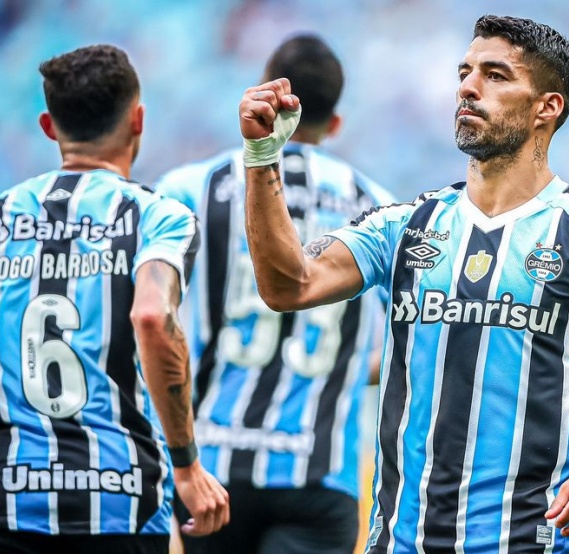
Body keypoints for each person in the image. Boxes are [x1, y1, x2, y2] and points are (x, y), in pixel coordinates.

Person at [238, 15, 569, 554]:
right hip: (402, 541)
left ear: (547, 107)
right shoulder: (406, 226)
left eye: (495, 75)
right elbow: (287, 286)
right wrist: (263, 157)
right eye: (465, 73)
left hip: (529, 542)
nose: (468, 88)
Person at [0, 44, 229, 554]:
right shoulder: (160, 217)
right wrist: (186, 466)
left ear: (48, 126)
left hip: (4, 499)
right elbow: (153, 317)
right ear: (138, 120)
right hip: (123, 501)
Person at [155, 34, 394, 554]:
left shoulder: (188, 189)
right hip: (321, 471)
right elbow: (411, 340)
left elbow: (152, 314)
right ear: (335, 122)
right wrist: (350, 365)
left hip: (211, 466)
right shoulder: (378, 206)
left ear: (268, 93)